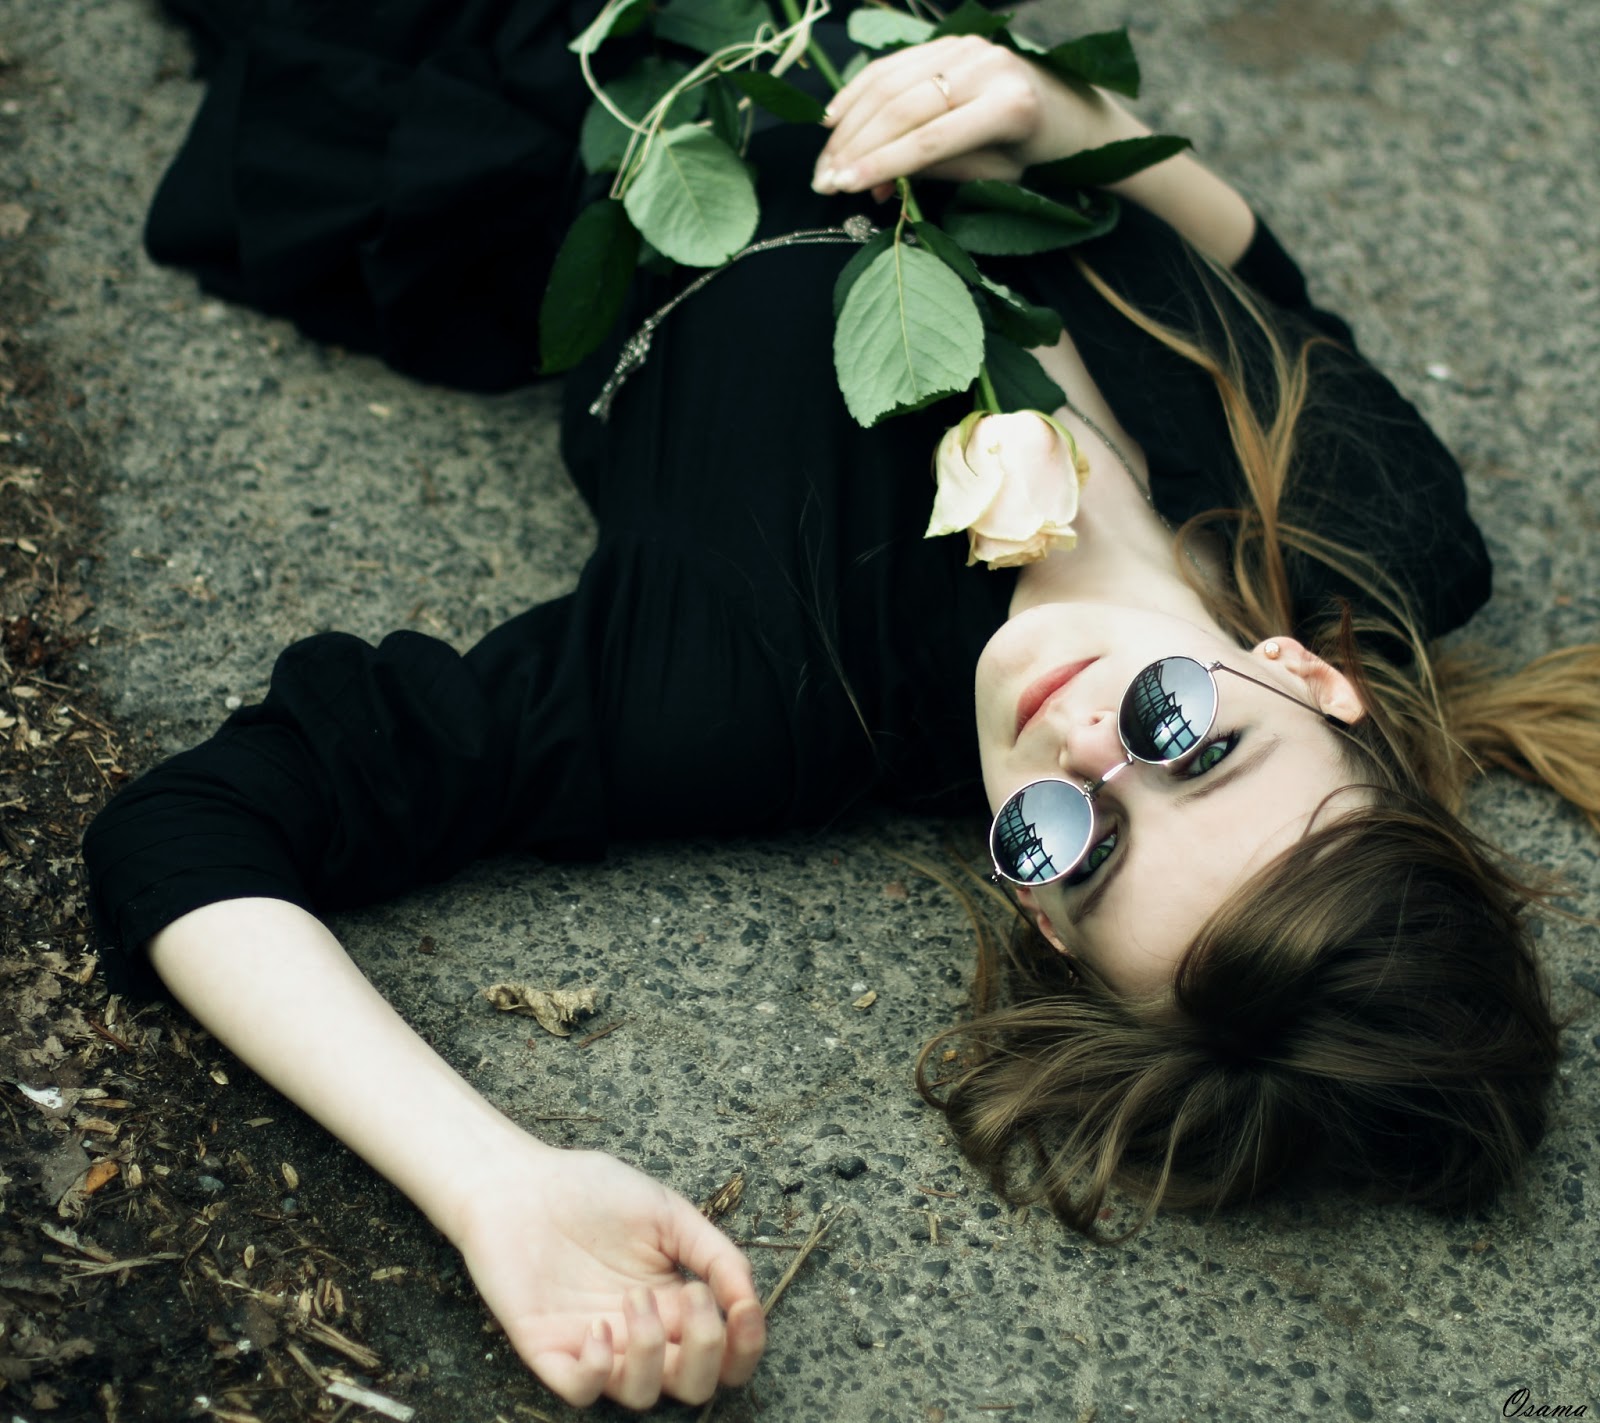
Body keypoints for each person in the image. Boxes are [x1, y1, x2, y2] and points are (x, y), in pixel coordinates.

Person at [84, 0, 1599, 1411]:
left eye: (1076, 844)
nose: (1083, 743)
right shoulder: (1384, 528)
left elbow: (194, 829)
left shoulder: (744, 686)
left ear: (1040, 919)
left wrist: (490, 1183)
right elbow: (1263, 286)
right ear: (1312, 679)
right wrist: (1061, 119)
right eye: (1187, 741)